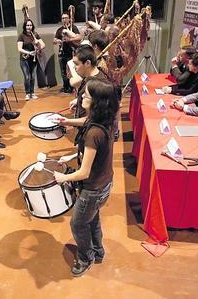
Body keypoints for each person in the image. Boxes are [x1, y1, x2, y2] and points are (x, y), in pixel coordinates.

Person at [51, 78, 118, 277]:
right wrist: (67, 121)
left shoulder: (93, 134)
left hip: (93, 189)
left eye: (87, 95)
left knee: (78, 224)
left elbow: (84, 172)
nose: (82, 97)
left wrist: (62, 177)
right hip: (105, 182)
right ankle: (98, 251)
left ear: (97, 101)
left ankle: (85, 257)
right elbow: (85, 122)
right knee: (93, 218)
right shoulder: (105, 120)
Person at [70, 45, 108, 119]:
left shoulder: (97, 84)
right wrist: (79, 101)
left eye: (76, 64)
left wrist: (65, 121)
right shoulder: (89, 77)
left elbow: (92, 119)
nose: (74, 67)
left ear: (87, 63)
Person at [17, 19, 45, 100]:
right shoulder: (21, 36)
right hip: (24, 59)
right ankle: (27, 93)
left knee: (32, 77)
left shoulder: (35, 34)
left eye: (30, 25)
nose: (29, 27)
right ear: (25, 26)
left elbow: (43, 45)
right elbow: (19, 49)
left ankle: (32, 93)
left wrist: (38, 45)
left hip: (33, 59)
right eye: (27, 25)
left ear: (32, 26)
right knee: (27, 77)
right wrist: (29, 53)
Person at [54, 12, 80, 94]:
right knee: (63, 72)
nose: (64, 19)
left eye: (66, 18)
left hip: (71, 53)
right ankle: (66, 87)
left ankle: (71, 87)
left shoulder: (74, 28)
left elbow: (79, 38)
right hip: (62, 53)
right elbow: (54, 40)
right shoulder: (59, 30)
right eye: (63, 18)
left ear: (69, 19)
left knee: (71, 71)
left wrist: (69, 39)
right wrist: (57, 41)